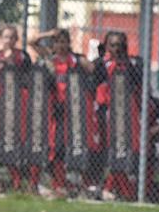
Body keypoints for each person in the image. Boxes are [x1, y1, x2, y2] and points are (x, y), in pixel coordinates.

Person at [30, 28, 95, 197]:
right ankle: (57, 183)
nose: (61, 45)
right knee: (56, 146)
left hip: (74, 110)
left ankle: (83, 184)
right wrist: (48, 34)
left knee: (76, 145)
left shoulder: (75, 60)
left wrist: (84, 61)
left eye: (64, 42)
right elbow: (32, 42)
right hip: (55, 109)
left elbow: (93, 69)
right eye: (57, 42)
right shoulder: (51, 60)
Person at [94, 31, 144, 201]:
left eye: (120, 46)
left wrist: (125, 63)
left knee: (128, 149)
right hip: (107, 113)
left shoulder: (132, 64)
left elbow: (138, 84)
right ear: (107, 46)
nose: (117, 49)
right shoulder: (101, 64)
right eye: (113, 45)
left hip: (127, 113)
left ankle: (118, 189)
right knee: (110, 150)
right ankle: (110, 187)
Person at [0, 24, 38, 192]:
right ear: (0, 39)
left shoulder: (22, 56)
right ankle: (11, 177)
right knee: (5, 138)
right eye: (6, 37)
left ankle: (21, 179)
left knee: (20, 137)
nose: (9, 41)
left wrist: (12, 63)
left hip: (19, 102)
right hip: (3, 101)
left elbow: (28, 79)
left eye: (12, 37)